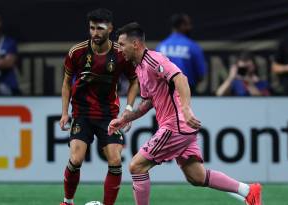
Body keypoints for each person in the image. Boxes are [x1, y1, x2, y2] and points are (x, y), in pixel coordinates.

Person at [110, 22, 262, 205]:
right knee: (196, 176)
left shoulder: (153, 59)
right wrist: (126, 118)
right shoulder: (140, 67)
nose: (120, 50)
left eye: (122, 44)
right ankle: (248, 191)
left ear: (135, 44)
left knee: (137, 166)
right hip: (180, 127)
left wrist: (186, 108)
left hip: (175, 125)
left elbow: (180, 78)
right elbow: (148, 101)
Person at [59, 9, 139, 205]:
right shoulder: (77, 52)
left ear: (110, 29)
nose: (95, 32)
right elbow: (67, 82)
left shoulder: (121, 54)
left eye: (100, 28)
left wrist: (128, 110)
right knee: (76, 160)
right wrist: (64, 113)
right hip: (82, 113)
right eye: (92, 28)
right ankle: (67, 201)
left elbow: (134, 81)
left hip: (109, 115)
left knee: (115, 160)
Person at [156, 13, 206, 95]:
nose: (190, 27)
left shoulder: (161, 46)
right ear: (182, 26)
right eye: (188, 25)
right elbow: (201, 75)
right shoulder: (192, 46)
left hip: (164, 95)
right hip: (186, 94)